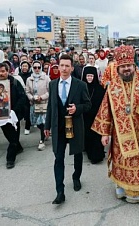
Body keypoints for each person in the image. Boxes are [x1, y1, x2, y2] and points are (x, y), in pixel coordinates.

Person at [92, 45, 139, 205]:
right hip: (119, 136)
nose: (126, 69)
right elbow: (105, 109)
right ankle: (122, 190)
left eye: (128, 66)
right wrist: (104, 133)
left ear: (134, 65)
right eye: (122, 67)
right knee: (122, 163)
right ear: (118, 68)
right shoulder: (113, 86)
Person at [44, 54, 91, 205]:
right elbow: (50, 106)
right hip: (58, 127)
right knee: (58, 158)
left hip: (75, 125)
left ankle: (76, 177)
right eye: (61, 65)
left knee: (77, 154)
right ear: (58, 67)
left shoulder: (80, 85)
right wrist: (47, 126)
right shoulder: (52, 84)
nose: (63, 69)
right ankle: (60, 191)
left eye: (66, 66)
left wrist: (77, 108)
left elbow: (88, 105)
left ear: (72, 68)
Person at [0, 62, 26, 169]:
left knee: (13, 137)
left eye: (3, 71)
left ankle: (10, 159)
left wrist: (14, 111)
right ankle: (18, 147)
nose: (1, 73)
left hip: (13, 115)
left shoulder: (15, 83)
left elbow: (22, 97)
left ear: (8, 71)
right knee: (9, 135)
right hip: (0, 116)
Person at [81, 66, 105, 164]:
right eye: (88, 76)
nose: (89, 78)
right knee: (87, 135)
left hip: (97, 117)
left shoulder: (99, 89)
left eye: (91, 76)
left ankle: (97, 156)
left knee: (96, 137)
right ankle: (88, 151)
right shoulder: (81, 87)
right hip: (85, 117)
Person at [25, 62, 50, 151]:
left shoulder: (46, 78)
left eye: (39, 67)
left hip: (43, 103)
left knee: (42, 122)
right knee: (36, 123)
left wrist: (41, 97)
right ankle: (46, 132)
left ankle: (41, 141)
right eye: (35, 67)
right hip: (34, 103)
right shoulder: (29, 79)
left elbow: (49, 91)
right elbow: (27, 91)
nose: (37, 69)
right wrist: (32, 98)